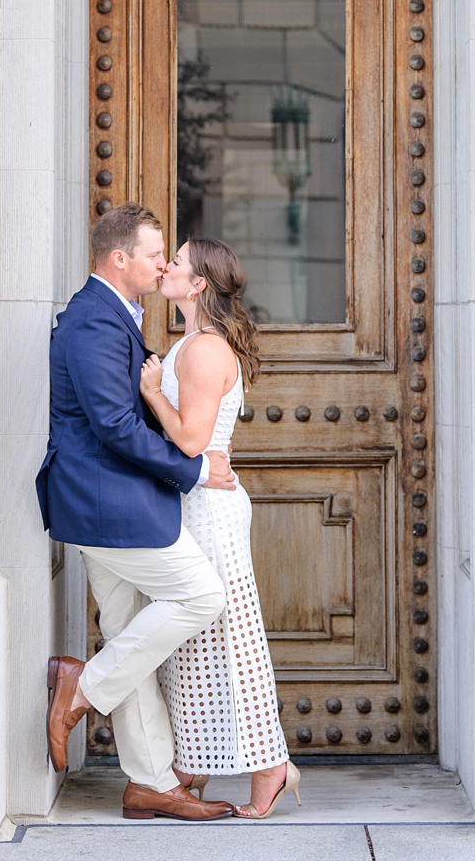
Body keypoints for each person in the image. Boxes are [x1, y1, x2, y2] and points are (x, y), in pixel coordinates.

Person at [40, 202, 239, 821]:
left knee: (127, 634)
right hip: (109, 504)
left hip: (110, 501)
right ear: (117, 258)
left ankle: (150, 782)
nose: (163, 264)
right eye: (156, 254)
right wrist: (195, 468)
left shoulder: (115, 315)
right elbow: (115, 425)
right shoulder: (95, 322)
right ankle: (84, 686)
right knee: (202, 597)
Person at [138, 238, 301, 819]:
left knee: (231, 637)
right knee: (191, 641)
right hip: (195, 500)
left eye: (176, 262)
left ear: (199, 283)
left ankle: (268, 767)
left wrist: (153, 394)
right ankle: (192, 764)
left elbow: (190, 440)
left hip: (211, 508)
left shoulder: (203, 351)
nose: (166, 267)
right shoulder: (193, 343)